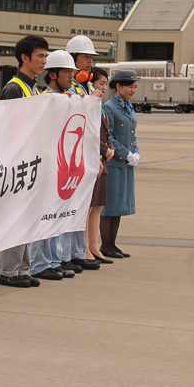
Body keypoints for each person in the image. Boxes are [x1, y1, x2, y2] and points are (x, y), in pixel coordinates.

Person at [0, 35, 50, 288]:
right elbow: (10, 130)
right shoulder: (15, 88)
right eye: (40, 56)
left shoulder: (34, 87)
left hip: (31, 161)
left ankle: (22, 268)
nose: (44, 61)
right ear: (24, 58)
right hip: (18, 163)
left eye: (46, 56)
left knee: (27, 217)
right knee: (15, 217)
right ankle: (7, 271)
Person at [27, 50, 81, 285]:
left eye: (72, 72)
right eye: (67, 72)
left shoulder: (69, 98)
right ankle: (40, 263)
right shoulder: (43, 99)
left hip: (62, 166)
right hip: (47, 164)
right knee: (45, 214)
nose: (71, 76)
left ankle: (53, 260)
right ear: (53, 74)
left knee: (57, 213)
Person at [57, 35, 103, 272]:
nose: (90, 62)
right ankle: (67, 254)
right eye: (85, 57)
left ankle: (78, 251)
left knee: (82, 205)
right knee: (68, 205)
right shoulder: (71, 88)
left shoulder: (87, 86)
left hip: (85, 154)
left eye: (91, 58)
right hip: (70, 154)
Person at [100, 70, 141, 258]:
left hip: (126, 163)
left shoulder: (128, 107)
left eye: (134, 87)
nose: (133, 90)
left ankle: (112, 244)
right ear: (118, 86)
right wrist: (126, 154)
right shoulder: (110, 107)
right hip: (114, 162)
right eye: (129, 86)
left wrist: (136, 153)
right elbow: (109, 136)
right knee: (110, 206)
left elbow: (132, 135)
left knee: (119, 206)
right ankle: (105, 245)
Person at [85, 67, 115, 265]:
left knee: (98, 206)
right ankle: (86, 247)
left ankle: (94, 246)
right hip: (93, 158)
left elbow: (105, 131)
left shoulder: (100, 105)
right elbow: (89, 133)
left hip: (103, 159)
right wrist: (104, 149)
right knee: (87, 207)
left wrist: (110, 146)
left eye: (105, 84)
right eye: (100, 83)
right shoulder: (88, 103)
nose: (103, 87)